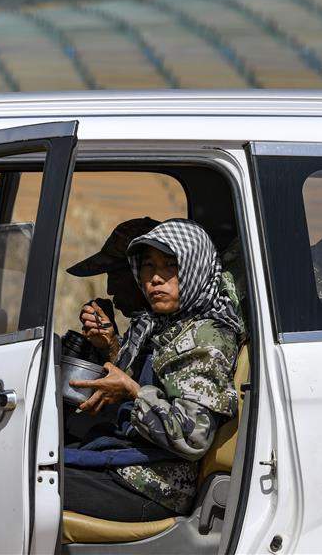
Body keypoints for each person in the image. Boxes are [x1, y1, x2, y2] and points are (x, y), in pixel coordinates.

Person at [62, 219, 244, 522]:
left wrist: (132, 392)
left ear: (193, 266)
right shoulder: (162, 323)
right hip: (133, 465)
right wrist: (110, 348)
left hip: (156, 486)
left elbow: (194, 436)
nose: (155, 278)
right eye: (147, 266)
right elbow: (157, 380)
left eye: (170, 265)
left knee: (25, 485)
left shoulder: (206, 336)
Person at [62, 217, 159, 365]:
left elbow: (135, 386)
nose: (110, 290)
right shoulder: (143, 327)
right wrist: (107, 341)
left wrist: (112, 344)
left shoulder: (176, 333)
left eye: (116, 276)